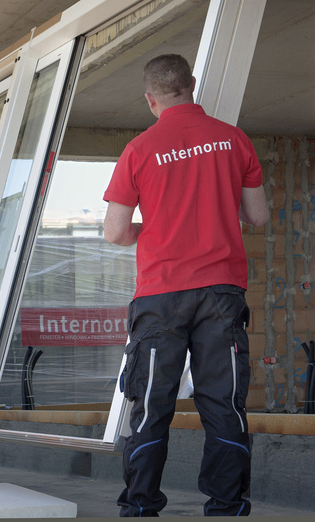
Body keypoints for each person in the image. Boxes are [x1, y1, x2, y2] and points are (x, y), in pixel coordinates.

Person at [102, 54, 269, 517]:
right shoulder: (235, 140)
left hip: (160, 295)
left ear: (150, 99)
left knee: (152, 402)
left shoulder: (139, 149)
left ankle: (140, 505)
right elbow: (257, 216)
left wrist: (153, 229)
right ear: (192, 84)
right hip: (221, 292)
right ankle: (227, 505)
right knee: (223, 403)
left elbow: (115, 232)